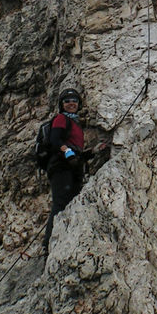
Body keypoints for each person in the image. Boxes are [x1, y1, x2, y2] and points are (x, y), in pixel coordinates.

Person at [42, 88, 107, 256]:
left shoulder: (76, 125)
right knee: (60, 203)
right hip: (60, 167)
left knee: (70, 203)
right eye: (67, 101)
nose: (72, 103)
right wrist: (67, 152)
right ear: (61, 105)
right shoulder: (61, 118)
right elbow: (55, 140)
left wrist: (93, 151)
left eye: (75, 101)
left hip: (72, 167)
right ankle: (47, 246)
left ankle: (63, 239)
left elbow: (77, 153)